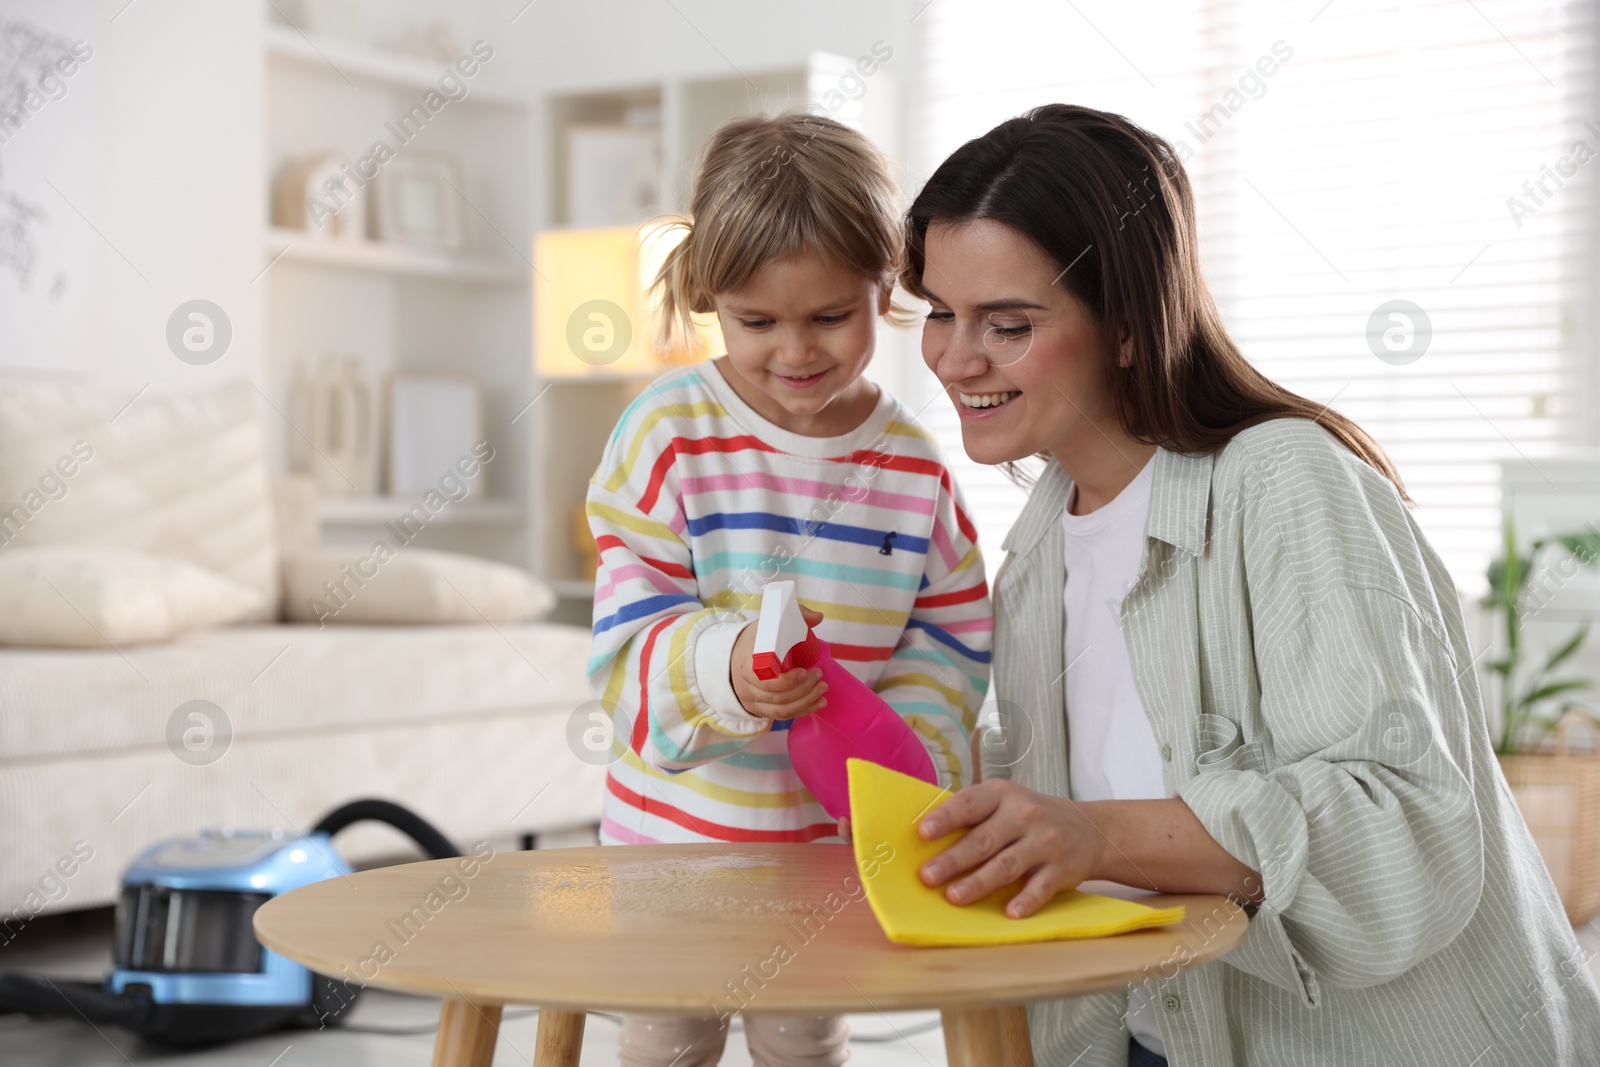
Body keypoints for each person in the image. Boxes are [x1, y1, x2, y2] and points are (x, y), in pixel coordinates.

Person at [900, 103, 1600, 1067]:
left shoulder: (1283, 482)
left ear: (1130, 328)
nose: (954, 357)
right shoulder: (1036, 551)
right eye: (940, 311)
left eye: (1008, 323)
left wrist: (1092, 835)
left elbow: (1403, 825)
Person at [586, 111, 992, 1067]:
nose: (795, 351)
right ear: (707, 298)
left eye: (829, 316)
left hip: (824, 854)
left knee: (806, 1044)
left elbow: (951, 638)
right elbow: (628, 633)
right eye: (755, 321)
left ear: (883, 289)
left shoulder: (912, 465)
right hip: (675, 852)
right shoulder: (665, 435)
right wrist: (729, 666)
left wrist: (906, 755)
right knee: (664, 1044)